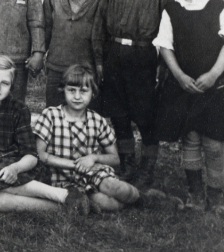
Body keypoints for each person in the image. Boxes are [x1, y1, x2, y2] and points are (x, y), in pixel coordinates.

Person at [153, 0, 224, 214]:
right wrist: (179, 76)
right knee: (189, 139)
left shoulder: (222, 9)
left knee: (213, 143)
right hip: (185, 87)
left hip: (216, 88)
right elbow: (165, 46)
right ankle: (195, 194)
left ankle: (216, 195)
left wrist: (213, 75)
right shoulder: (172, 9)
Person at [93, 0, 175, 187]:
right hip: (114, 55)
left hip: (145, 57)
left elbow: (170, 33)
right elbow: (99, 28)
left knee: (146, 115)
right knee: (119, 114)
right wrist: (99, 61)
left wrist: (163, 67)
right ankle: (127, 162)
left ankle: (147, 166)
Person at [0, 57, 84, 212]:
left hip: (18, 169)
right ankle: (65, 205)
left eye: (5, 83)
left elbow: (31, 155)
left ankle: (63, 195)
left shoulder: (18, 109)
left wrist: (15, 168)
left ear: (11, 86)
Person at [34, 65, 143, 213]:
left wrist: (93, 158)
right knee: (105, 204)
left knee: (117, 188)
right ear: (63, 90)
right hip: (62, 178)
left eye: (84, 91)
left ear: (93, 93)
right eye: (72, 90)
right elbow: (41, 155)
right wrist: (75, 165)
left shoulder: (97, 120)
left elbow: (115, 158)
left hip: (93, 172)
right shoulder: (51, 115)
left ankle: (142, 198)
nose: (77, 97)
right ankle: (100, 202)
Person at [42, 0, 107, 109]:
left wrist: (101, 64)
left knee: (87, 119)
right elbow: (45, 26)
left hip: (88, 69)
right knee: (55, 116)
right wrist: (39, 54)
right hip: (57, 67)